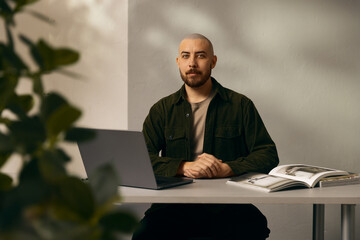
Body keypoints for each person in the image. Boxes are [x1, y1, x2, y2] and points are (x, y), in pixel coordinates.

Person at [132, 33, 279, 240]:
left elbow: (268, 154)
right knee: (144, 235)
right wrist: (183, 166)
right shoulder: (162, 110)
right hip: (173, 207)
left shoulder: (240, 105)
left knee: (253, 227)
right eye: (185, 56)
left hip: (227, 206)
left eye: (200, 56)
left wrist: (227, 168)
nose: (192, 63)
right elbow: (142, 158)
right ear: (178, 62)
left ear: (213, 61)